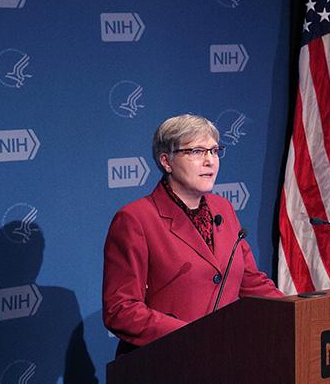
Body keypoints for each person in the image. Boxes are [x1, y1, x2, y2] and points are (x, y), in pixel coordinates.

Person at [103, 114, 283, 352]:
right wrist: (192, 336)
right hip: (166, 360)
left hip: (224, 359)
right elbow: (121, 310)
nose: (210, 161)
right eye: (197, 152)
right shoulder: (136, 219)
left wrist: (295, 311)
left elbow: (249, 281)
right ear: (166, 161)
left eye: (214, 151)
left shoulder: (223, 209)